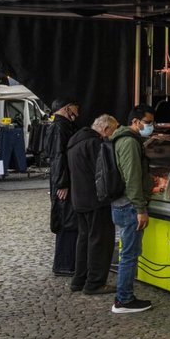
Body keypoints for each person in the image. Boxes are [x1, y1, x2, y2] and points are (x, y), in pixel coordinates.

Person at [108, 104, 156, 314]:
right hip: (129, 206)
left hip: (122, 203)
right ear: (136, 122)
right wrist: (140, 208)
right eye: (148, 123)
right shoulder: (129, 142)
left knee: (128, 252)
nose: (151, 127)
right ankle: (124, 300)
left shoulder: (121, 138)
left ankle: (124, 297)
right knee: (128, 254)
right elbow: (133, 178)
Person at [66, 114, 118, 295]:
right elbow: (104, 172)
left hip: (79, 198)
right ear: (105, 129)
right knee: (100, 241)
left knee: (84, 239)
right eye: (113, 130)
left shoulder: (76, 140)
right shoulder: (95, 144)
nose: (113, 134)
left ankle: (79, 279)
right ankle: (95, 283)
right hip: (95, 200)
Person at [46, 97, 81, 276]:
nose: (78, 110)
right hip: (63, 182)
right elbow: (58, 157)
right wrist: (62, 183)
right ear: (68, 108)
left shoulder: (60, 126)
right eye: (76, 106)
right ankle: (65, 264)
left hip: (63, 180)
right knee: (67, 222)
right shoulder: (59, 128)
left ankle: (66, 263)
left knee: (68, 221)